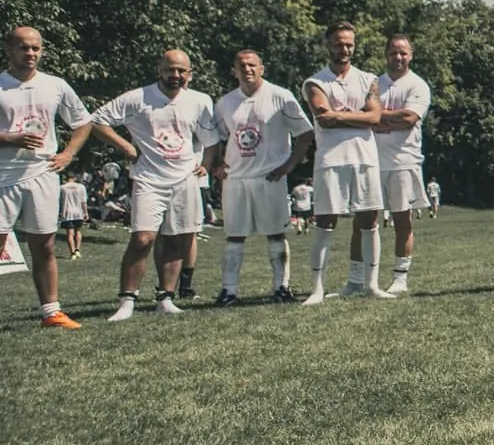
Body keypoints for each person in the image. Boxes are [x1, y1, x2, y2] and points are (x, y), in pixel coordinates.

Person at [92, 49, 220, 320]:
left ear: (190, 73)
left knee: (175, 239)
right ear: (160, 69)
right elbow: (98, 120)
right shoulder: (138, 97)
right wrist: (126, 146)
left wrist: (206, 165)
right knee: (143, 238)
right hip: (149, 178)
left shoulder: (200, 100)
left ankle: (166, 297)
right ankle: (127, 301)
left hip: (184, 178)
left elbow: (211, 141)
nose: (175, 76)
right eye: (170, 70)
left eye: (181, 71)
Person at [0, 27, 93, 328]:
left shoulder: (55, 85)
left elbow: (82, 122)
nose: (31, 54)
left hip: (43, 173)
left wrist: (68, 154)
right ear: (9, 50)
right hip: (3, 175)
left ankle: (51, 312)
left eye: (36, 48)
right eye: (24, 48)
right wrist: (10, 138)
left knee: (45, 244)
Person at [210, 50, 314, 305]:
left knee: (276, 234)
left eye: (252, 65)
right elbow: (218, 138)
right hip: (236, 179)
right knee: (234, 236)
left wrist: (289, 165)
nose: (247, 69)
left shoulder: (280, 96)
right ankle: (229, 291)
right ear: (234, 71)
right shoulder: (225, 103)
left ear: (262, 68)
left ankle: (282, 287)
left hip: (270, 178)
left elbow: (306, 133)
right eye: (241, 66)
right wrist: (217, 165)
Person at [303, 22, 387, 303]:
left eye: (349, 44)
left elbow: (375, 118)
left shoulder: (368, 79)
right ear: (328, 45)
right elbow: (323, 119)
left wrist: (339, 115)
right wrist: (355, 115)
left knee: (369, 220)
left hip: (364, 158)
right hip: (330, 160)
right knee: (325, 223)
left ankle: (371, 284)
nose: (345, 49)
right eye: (339, 44)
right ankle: (317, 288)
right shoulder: (315, 82)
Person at [374, 34, 432, 294]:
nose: (398, 57)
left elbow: (409, 118)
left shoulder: (417, 85)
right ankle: (366, 277)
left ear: (411, 55)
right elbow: (365, 117)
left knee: (402, 220)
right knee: (366, 221)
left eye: (403, 53)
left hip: (403, 161)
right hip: (372, 160)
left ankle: (400, 278)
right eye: (394, 52)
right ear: (386, 54)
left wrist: (377, 117)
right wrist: (384, 118)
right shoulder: (374, 84)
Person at [60, 170, 87, 259]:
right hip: (78, 212)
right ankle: (77, 250)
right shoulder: (81, 187)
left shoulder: (62, 188)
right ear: (74, 178)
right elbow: (83, 201)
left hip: (67, 212)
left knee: (70, 233)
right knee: (78, 231)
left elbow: (59, 201)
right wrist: (85, 212)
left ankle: (72, 253)